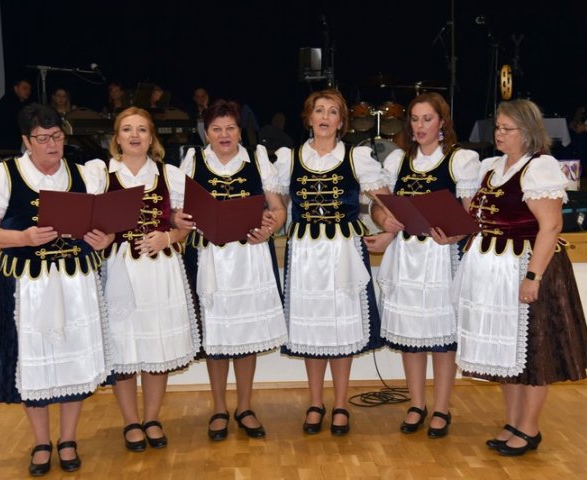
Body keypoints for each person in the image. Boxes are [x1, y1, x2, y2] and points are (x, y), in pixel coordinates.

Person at [0, 104, 114, 476]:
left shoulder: (85, 173)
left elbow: (105, 226)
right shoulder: (4, 174)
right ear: (26, 140)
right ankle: (40, 442)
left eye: (57, 136)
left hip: (75, 281)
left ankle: (68, 439)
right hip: (27, 284)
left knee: (73, 360)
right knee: (31, 363)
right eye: (43, 138)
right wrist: (22, 237)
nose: (52, 144)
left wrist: (106, 238)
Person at [452, 99, 587, 456]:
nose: (499, 134)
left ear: (528, 131)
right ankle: (513, 421)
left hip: (529, 267)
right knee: (507, 350)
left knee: (533, 351)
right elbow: (479, 219)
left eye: (507, 129)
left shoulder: (539, 167)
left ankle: (529, 428)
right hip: (495, 271)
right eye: (497, 127)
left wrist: (533, 277)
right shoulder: (491, 167)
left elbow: (551, 226)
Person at [365, 92, 480, 438]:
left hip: (442, 257)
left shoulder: (460, 160)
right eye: (414, 119)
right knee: (411, 336)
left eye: (427, 119)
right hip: (407, 257)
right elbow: (380, 207)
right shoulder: (398, 161)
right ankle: (416, 404)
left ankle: (441, 408)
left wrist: (457, 233)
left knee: (443, 339)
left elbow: (470, 215)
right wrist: (385, 224)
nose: (420, 126)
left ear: (442, 121)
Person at [275, 89, 388, 436]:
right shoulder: (289, 158)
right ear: (308, 118)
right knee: (312, 327)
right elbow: (276, 208)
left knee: (342, 327)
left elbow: (384, 202)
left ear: (342, 122)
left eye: (333, 111)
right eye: (319, 110)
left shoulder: (357, 157)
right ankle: (315, 402)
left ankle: (340, 403)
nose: (325, 117)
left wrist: (388, 230)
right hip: (306, 252)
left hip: (343, 251)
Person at [174, 100, 288, 441]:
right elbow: (177, 211)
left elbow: (277, 208)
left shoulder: (257, 159)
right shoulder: (193, 161)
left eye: (230, 128)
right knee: (216, 334)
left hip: (248, 256)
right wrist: (180, 219)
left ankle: (245, 407)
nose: (224, 135)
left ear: (240, 130)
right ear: (206, 132)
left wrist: (269, 228)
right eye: (216, 129)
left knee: (246, 335)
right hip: (208, 258)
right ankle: (219, 408)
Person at [90, 107, 200, 451]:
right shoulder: (100, 174)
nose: (134, 135)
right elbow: (89, 220)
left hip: (159, 269)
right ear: (116, 137)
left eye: (141, 129)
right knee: (123, 346)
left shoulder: (170, 175)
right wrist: (103, 237)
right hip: (119, 269)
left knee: (156, 346)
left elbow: (186, 224)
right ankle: (130, 421)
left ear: (152, 138)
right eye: (127, 129)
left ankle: (152, 418)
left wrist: (168, 237)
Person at [0, 78, 32, 153]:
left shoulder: (16, 102)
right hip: (3, 142)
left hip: (6, 139)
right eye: (24, 88)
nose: (28, 91)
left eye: (29, 89)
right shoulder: (9, 102)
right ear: (16, 88)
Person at [569, 81, 587, 169]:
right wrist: (576, 122)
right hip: (584, 134)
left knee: (580, 144)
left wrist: (586, 128)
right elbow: (584, 117)